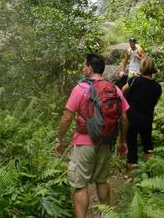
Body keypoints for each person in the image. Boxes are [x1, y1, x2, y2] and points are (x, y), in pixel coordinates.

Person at [55, 53, 130, 218]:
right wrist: (122, 142)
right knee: (102, 180)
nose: (83, 68)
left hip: (84, 143)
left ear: (90, 68)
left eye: (84, 65)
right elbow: (124, 119)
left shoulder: (80, 89)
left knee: (80, 185)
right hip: (106, 141)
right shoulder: (115, 89)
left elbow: (67, 118)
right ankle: (105, 215)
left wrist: (59, 139)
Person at [122, 57, 162, 171]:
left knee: (132, 144)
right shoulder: (157, 87)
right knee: (148, 145)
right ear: (153, 68)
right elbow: (155, 103)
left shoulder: (134, 80)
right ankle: (151, 171)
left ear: (142, 67)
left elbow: (123, 90)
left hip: (132, 118)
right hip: (147, 118)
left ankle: (132, 171)